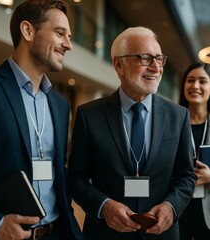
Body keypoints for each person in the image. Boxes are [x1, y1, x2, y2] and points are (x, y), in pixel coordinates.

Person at [67, 26, 196, 239]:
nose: (156, 67)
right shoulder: (89, 115)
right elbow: (76, 178)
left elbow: (186, 176)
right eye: (145, 58)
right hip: (106, 234)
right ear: (119, 64)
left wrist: (171, 207)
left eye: (159, 59)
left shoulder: (178, 116)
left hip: (161, 234)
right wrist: (103, 206)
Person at [0, 0, 83, 239]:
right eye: (60, 33)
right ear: (28, 31)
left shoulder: (60, 105)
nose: (68, 45)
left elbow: (59, 175)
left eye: (69, 36)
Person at [178, 62, 210, 240]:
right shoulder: (172, 125)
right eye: (190, 80)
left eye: (202, 81)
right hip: (178, 211)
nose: (195, 86)